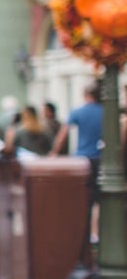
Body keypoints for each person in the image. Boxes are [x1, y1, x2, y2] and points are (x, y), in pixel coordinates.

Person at [51, 86, 104, 243]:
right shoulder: (107, 111)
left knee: (83, 199)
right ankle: (96, 233)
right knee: (99, 198)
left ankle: (83, 235)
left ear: (86, 95)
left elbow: (63, 134)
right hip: (101, 158)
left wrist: (54, 153)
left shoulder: (78, 112)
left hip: (82, 159)